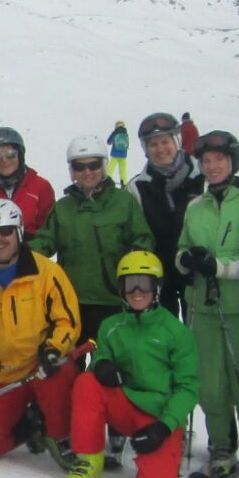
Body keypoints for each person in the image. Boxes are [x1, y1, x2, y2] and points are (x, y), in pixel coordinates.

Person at [0, 199, 84, 463]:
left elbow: (68, 322)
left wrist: (54, 349)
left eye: (6, 231)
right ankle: (29, 425)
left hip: (41, 370)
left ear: (18, 232)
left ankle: (62, 435)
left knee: (61, 375)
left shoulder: (47, 273)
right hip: (1, 380)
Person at [175, 130, 239, 478]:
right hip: (202, 304)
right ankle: (221, 445)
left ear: (233, 161)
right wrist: (187, 261)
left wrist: (219, 267)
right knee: (209, 381)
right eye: (206, 161)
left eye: (219, 160)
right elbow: (181, 249)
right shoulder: (195, 206)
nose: (212, 167)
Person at [65, 251, 200, 478]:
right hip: (125, 404)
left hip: (158, 415)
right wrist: (102, 364)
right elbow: (99, 356)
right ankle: (89, 460)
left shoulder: (176, 333)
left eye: (144, 283)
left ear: (157, 287)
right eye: (129, 284)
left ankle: (160, 457)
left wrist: (164, 426)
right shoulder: (111, 325)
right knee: (86, 382)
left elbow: (188, 388)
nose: (137, 291)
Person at [29, 135, 154, 341]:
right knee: (70, 365)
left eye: (94, 165)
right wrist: (18, 254)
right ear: (72, 171)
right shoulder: (63, 208)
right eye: (80, 167)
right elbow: (46, 241)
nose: (87, 172)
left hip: (115, 300)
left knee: (113, 364)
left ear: (103, 166)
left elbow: (142, 237)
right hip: (73, 301)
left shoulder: (123, 202)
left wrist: (135, 258)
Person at [127, 111, 204, 321]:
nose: (160, 149)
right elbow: (136, 231)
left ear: (176, 141)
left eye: (165, 141)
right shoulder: (137, 187)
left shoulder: (201, 176)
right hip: (160, 276)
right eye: (153, 144)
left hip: (198, 273)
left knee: (199, 338)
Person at [106, 120, 130, 185]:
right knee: (123, 170)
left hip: (115, 154)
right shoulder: (125, 133)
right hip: (123, 155)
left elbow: (108, 142)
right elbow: (127, 144)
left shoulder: (115, 133)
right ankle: (124, 183)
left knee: (110, 169)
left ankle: (107, 182)